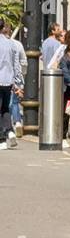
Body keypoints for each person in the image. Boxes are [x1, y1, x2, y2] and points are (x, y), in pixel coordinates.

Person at [0, 20, 24, 149]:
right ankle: (9, 131)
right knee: (5, 108)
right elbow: (16, 64)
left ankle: (2, 139)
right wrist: (17, 82)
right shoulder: (11, 44)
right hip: (8, 80)